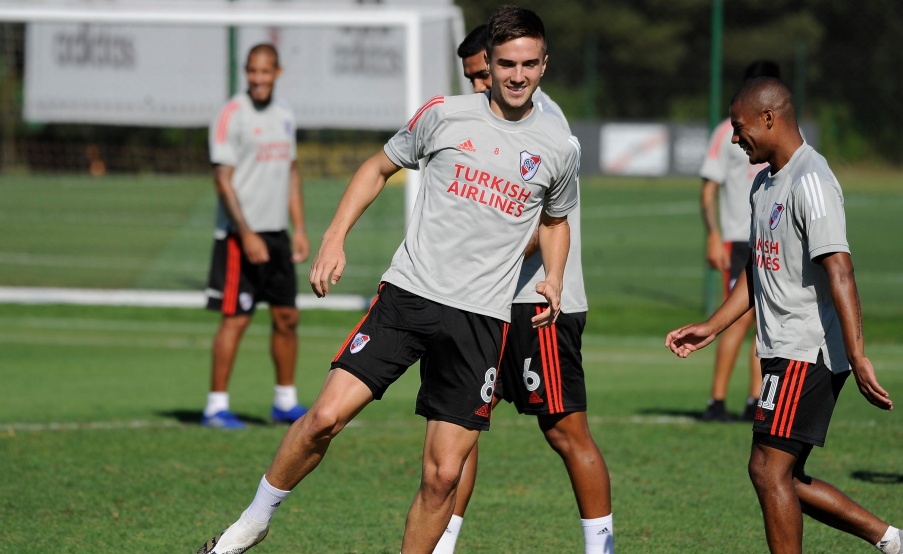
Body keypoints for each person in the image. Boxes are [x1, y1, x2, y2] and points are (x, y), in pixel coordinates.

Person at [196, 6, 580, 553]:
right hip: (409, 298)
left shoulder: (558, 147)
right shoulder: (444, 115)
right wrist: (334, 237)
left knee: (444, 475)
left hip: (481, 322)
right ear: (488, 66)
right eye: (506, 64)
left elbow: (556, 222)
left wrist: (555, 278)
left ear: (544, 65)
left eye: (529, 64)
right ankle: (251, 523)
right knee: (324, 418)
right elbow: (377, 167)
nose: (517, 75)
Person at [665, 77, 900, 554]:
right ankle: (890, 539)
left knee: (768, 469)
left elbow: (841, 270)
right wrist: (713, 325)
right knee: (783, 476)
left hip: (806, 350)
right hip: (779, 350)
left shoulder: (811, 180)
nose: (734, 138)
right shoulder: (763, 183)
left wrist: (857, 355)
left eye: (739, 127)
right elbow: (757, 268)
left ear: (769, 119)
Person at [433, 23, 613, 554]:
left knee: (565, 432)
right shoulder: (478, 119)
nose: (480, 87)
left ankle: (600, 548)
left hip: (537, 303)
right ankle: (441, 546)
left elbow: (538, 226)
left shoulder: (545, 121)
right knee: (460, 433)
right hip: (481, 303)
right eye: (473, 78)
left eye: (483, 75)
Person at [201, 44, 310, 429]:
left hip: (277, 235)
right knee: (237, 319)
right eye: (252, 71)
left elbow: (292, 173)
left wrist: (298, 228)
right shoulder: (232, 114)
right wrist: (246, 233)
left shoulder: (285, 115)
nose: (258, 78)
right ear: (246, 73)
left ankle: (285, 401)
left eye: (265, 71)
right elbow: (222, 181)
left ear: (277, 72)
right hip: (238, 236)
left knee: (287, 316)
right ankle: (216, 407)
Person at [698, 60, 781, 422]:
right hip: (737, 238)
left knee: (767, 322)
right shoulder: (726, 132)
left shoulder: (782, 132)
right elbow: (708, 189)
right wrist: (713, 235)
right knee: (734, 318)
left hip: (771, 241)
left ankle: (755, 401)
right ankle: (716, 400)